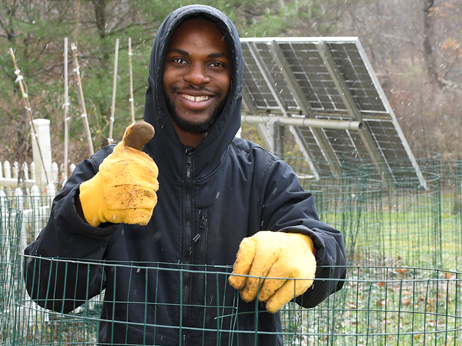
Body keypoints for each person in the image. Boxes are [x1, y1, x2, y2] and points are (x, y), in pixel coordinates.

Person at [24, 4, 347, 345]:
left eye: (215, 63)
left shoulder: (265, 176)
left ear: (233, 78)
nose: (196, 76)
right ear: (157, 71)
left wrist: (305, 247)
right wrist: (84, 212)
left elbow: (329, 264)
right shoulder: (110, 172)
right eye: (179, 60)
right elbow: (50, 291)